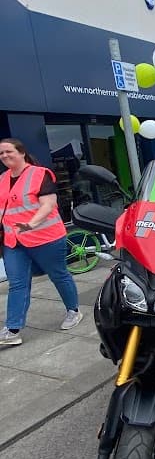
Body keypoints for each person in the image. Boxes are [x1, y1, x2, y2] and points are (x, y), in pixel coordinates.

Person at [0, 138, 83, 347]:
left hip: (45, 237)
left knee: (58, 275)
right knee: (17, 283)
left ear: (21, 153)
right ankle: (13, 329)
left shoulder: (40, 174)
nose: (4, 156)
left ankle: (73, 311)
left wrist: (31, 223)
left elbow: (49, 205)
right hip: (13, 241)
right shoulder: (2, 179)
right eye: (1, 153)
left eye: (8, 151)